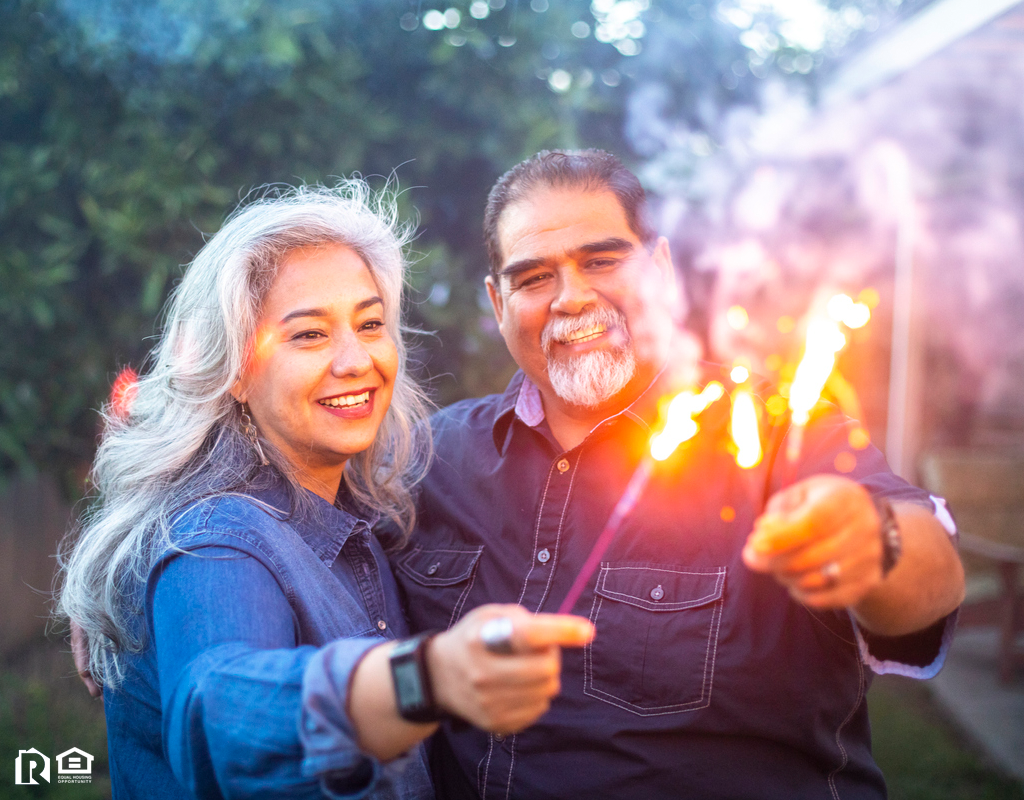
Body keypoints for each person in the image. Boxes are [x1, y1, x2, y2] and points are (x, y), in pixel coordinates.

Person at [392, 150, 965, 799]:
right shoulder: (434, 458)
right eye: (533, 278)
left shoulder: (780, 430)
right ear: (498, 302)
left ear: (659, 269)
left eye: (601, 261)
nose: (572, 297)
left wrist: (874, 538)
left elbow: (933, 570)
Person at [57, 182, 594, 800]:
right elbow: (219, 717)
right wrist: (427, 679)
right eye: (309, 335)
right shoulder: (214, 540)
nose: (355, 360)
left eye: (370, 324)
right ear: (232, 367)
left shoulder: (369, 500)